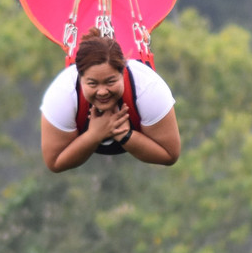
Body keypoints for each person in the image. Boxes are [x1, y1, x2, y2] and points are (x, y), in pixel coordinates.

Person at [40, 28, 181, 172]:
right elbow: (54, 162)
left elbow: (170, 155)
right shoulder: (62, 93)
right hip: (84, 134)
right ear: (80, 77)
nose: (102, 92)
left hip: (137, 131)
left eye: (110, 82)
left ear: (123, 72)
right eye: (92, 84)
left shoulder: (148, 88)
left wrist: (125, 135)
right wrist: (94, 135)